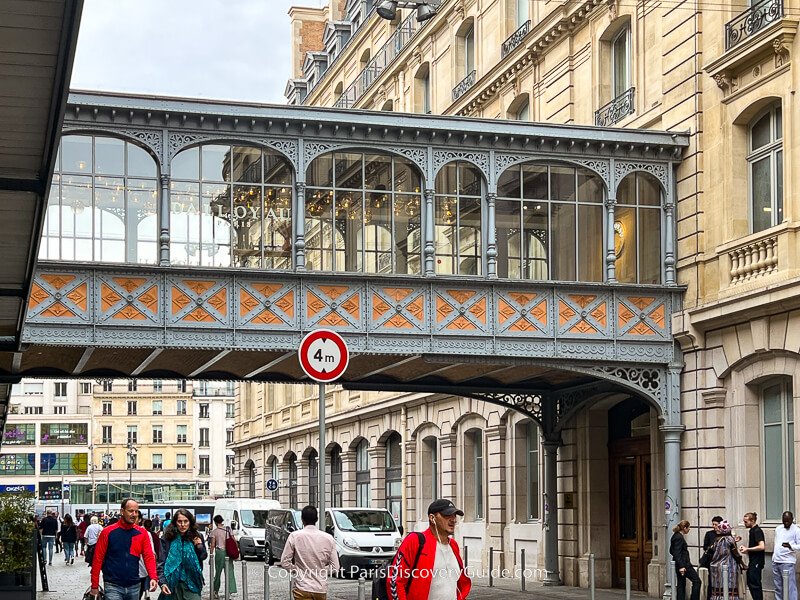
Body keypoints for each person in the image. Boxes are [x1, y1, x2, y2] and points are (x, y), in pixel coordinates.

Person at [387, 499, 471, 600]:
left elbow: (458, 584)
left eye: (454, 515)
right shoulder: (415, 541)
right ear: (432, 518)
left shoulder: (453, 545)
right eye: (447, 515)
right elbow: (395, 581)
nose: (453, 519)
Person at [91, 499, 158, 600]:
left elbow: (148, 556)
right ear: (122, 511)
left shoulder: (142, 533)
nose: (134, 514)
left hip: (135, 585)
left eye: (136, 511)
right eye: (130, 511)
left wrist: (153, 577)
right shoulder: (107, 532)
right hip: (112, 585)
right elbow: (97, 559)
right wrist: (94, 585)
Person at [280, 505, 339, 600]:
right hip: (320, 588)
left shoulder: (295, 536)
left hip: (302, 587)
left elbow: (284, 561)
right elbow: (335, 567)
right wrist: (322, 571)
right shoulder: (328, 538)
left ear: (302, 519)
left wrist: (297, 570)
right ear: (316, 519)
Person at [157, 508, 207, 600]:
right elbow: (161, 562)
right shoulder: (167, 538)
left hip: (192, 581)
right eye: (179, 521)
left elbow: (203, 556)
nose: (183, 525)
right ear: (175, 522)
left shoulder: (196, 536)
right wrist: (162, 582)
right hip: (172, 583)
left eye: (185, 521)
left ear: (190, 522)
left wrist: (199, 546)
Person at [709, 520, 745, 600]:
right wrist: (742, 564)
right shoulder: (729, 539)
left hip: (716, 566)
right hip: (729, 566)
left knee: (718, 587)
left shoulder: (717, 539)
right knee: (729, 585)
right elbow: (736, 553)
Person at [671, 520, 701, 600]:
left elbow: (671, 550)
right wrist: (681, 566)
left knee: (681, 584)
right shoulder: (679, 538)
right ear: (684, 528)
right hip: (684, 564)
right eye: (688, 528)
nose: (689, 529)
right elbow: (677, 553)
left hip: (680, 564)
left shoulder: (675, 536)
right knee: (697, 581)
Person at [208, 515, 237, 599]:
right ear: (222, 521)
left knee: (218, 572)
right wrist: (236, 552)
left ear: (215, 522)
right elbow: (234, 540)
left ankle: (215, 591)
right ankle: (230, 591)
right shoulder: (228, 529)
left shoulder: (214, 532)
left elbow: (212, 545)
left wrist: (211, 556)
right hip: (228, 552)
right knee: (230, 571)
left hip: (220, 552)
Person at [773, 511, 800, 600]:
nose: (786, 523)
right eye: (784, 521)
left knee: (790, 587)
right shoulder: (778, 529)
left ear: (792, 519)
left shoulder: (796, 530)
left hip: (787, 561)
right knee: (778, 587)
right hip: (776, 560)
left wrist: (790, 546)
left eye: (788, 521)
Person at [739, 512, 765, 600]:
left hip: (757, 562)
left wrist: (747, 549)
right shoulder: (752, 531)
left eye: (746, 522)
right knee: (750, 582)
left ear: (752, 521)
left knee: (755, 584)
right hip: (753, 560)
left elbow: (762, 546)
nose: (744, 524)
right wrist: (747, 550)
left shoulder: (757, 531)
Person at [139, 518, 161, 600]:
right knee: (147, 575)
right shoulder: (154, 535)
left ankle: (146, 590)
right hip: (151, 559)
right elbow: (157, 549)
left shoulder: (145, 534)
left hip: (142, 560)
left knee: (144, 576)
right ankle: (147, 590)